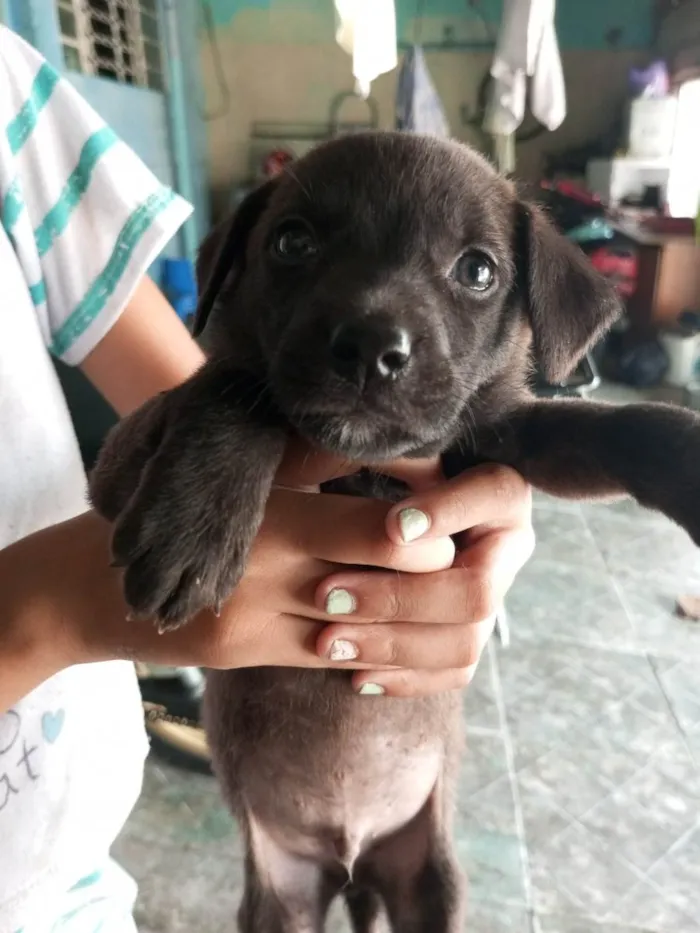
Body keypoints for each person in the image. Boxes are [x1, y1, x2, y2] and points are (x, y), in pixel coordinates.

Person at [0, 24, 535, 933]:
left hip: (74, 886)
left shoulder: (9, 91)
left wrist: (474, 501)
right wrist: (47, 610)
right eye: (295, 246)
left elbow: (188, 401)